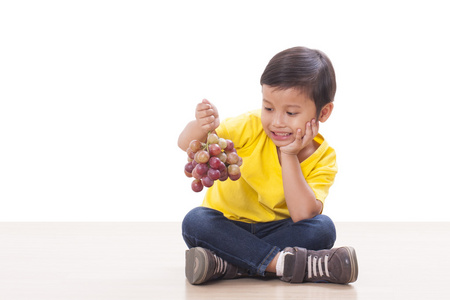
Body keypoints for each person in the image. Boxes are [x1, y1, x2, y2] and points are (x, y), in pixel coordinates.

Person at [177, 46, 358, 285]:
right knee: (196, 221)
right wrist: (201, 126)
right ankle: (283, 264)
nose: (276, 122)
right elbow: (186, 143)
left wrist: (290, 155)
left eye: (291, 112)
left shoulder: (324, 157)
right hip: (228, 227)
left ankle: (230, 265)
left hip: (278, 232)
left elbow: (302, 214)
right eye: (269, 108)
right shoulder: (251, 125)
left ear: (323, 112)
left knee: (322, 229)